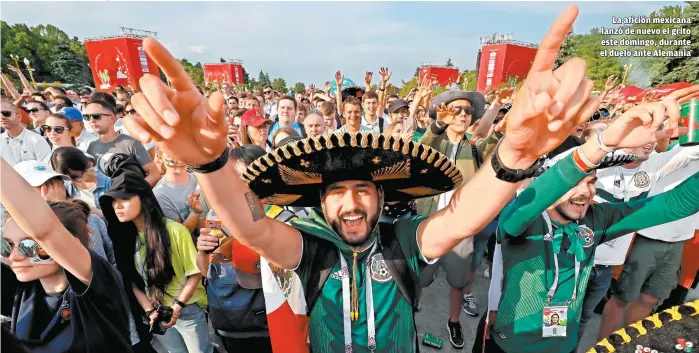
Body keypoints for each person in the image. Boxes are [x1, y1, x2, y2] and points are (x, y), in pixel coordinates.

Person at [122, 8, 614, 349]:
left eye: (362, 190)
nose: (351, 204)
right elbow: (250, 228)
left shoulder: (403, 241)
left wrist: (513, 156)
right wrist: (210, 164)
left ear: (381, 196)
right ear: (320, 203)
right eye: (336, 192)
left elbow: (461, 218)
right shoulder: (308, 247)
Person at [492, 100, 698, 353]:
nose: (584, 192)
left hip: (563, 346)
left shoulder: (595, 218)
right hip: (510, 346)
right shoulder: (522, 219)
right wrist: (603, 143)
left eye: (591, 182)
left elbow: (675, 205)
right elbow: (543, 189)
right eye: (575, 182)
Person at [0, 159, 132, 352]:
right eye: (6, 246)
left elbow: (46, 229)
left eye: (30, 246)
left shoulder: (98, 285)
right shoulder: (19, 289)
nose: (15, 257)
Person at [416, 89, 499, 348]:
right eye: (457, 109)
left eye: (467, 110)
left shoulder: (474, 147)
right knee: (419, 276)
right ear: (445, 113)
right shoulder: (433, 142)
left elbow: (496, 145)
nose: (463, 114)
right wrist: (438, 124)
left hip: (460, 226)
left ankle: (454, 320)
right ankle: (410, 309)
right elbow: (421, 149)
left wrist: (503, 125)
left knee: (458, 280)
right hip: (428, 223)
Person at [99, 171, 212, 353]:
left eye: (125, 198)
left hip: (187, 309)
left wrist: (178, 305)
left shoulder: (175, 231)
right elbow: (130, 279)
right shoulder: (125, 239)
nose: (117, 206)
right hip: (156, 312)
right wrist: (150, 310)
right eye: (113, 201)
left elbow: (195, 271)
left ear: (143, 199)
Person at [84, 99, 161, 187]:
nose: (91, 120)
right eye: (87, 117)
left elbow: (154, 174)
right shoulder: (91, 147)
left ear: (112, 119)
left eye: (96, 116)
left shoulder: (130, 143)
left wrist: (136, 193)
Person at [152, 151, 200, 233]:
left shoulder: (199, 178)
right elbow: (181, 234)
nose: (180, 160)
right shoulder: (159, 194)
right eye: (171, 155)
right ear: (160, 157)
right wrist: (196, 212)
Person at [51, 146, 112, 210]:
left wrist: (100, 215)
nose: (71, 182)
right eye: (66, 178)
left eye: (75, 176)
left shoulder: (109, 183)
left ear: (87, 165)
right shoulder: (65, 187)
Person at [1, 99, 51, 166]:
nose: (1, 117)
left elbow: (47, 169)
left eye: (6, 113)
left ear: (18, 116)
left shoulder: (37, 140)